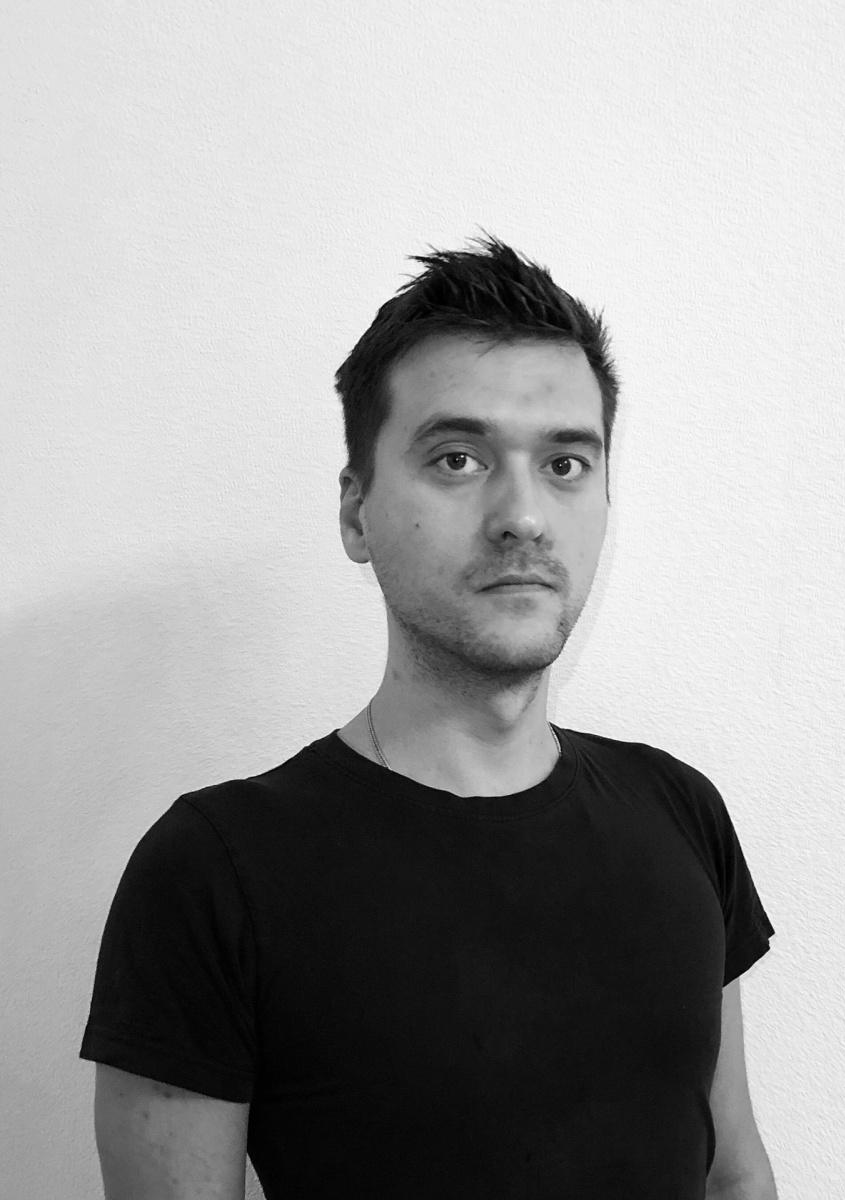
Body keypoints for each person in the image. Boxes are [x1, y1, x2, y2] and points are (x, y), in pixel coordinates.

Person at [80, 232, 779, 1199]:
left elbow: (733, 1174)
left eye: (565, 463)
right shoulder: (214, 873)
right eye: (457, 458)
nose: (523, 515)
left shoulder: (680, 811)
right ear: (355, 513)